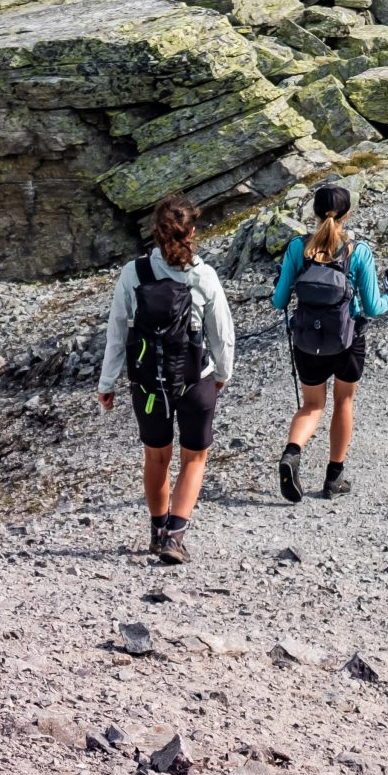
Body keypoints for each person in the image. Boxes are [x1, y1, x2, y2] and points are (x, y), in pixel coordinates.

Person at [98, 194, 235, 565]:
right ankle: (175, 536)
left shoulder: (134, 273)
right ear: (192, 231)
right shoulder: (203, 274)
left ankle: (156, 532)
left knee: (156, 457)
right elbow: (221, 333)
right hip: (194, 380)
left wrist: (107, 382)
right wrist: (222, 374)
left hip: (148, 383)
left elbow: (117, 331)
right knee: (194, 457)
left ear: (155, 232)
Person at [271, 183, 388, 502]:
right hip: (347, 339)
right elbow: (371, 307)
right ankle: (334, 478)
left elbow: (279, 300)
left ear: (313, 213)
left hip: (306, 340)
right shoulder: (358, 251)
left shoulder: (298, 248)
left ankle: (292, 452)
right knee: (343, 402)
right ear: (348, 213)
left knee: (312, 405)